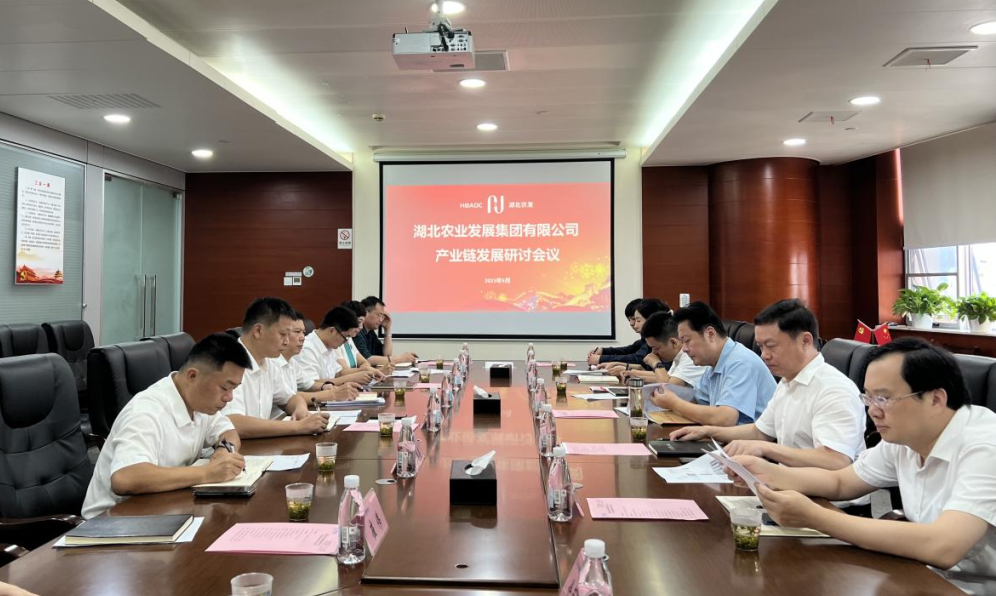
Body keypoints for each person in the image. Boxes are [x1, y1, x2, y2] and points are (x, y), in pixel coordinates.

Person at [729, 338, 996, 594]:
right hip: (923, 576)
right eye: (868, 398)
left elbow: (944, 546)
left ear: (936, 399)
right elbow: (841, 482)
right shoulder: (905, 437)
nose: (872, 411)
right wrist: (765, 471)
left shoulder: (985, 446)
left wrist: (814, 517)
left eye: (883, 398)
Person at [671, 299, 865, 470]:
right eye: (761, 347)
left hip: (823, 496)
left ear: (805, 341)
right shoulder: (787, 382)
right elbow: (759, 432)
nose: (764, 355)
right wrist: (707, 431)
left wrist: (766, 449)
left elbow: (836, 460)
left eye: (771, 346)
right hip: (788, 483)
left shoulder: (834, 389)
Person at [81, 333, 250, 519]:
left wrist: (225, 451)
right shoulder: (146, 412)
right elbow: (125, 478)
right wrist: (208, 472)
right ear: (192, 376)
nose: (229, 397)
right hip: (111, 522)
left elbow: (228, 431)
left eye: (234, 389)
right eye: (225, 387)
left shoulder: (199, 402)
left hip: (159, 508)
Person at [650, 301, 775, 426]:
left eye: (687, 341)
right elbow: (697, 401)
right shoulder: (713, 363)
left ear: (710, 334)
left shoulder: (741, 362)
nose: (684, 349)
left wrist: (675, 403)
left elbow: (725, 418)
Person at [222, 297, 330, 439]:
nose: (286, 341)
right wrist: (299, 426)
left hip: (260, 444)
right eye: (283, 334)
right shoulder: (229, 362)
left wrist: (301, 410)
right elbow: (234, 423)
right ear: (258, 331)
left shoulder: (269, 361)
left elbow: (291, 398)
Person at [277, 310, 361, 404]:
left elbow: (310, 384)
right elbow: (287, 398)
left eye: (303, 332)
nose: (303, 337)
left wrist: (326, 387)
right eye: (297, 332)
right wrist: (334, 394)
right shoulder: (306, 349)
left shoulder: (291, 361)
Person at [620, 310, 706, 389]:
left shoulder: (690, 357)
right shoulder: (678, 357)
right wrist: (634, 375)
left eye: (656, 348)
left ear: (673, 343)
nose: (653, 353)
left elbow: (668, 387)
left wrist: (656, 363)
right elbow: (668, 378)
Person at [595, 298, 670, 371]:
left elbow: (666, 376)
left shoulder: (666, 341)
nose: (633, 324)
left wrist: (656, 364)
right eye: (630, 320)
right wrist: (621, 365)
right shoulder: (647, 341)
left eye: (637, 320)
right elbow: (644, 368)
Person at [353, 296, 418, 366]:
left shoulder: (370, 332)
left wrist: (387, 329)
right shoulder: (356, 332)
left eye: (382, 316)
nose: (381, 320)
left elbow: (386, 355)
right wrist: (400, 358)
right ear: (366, 313)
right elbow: (367, 359)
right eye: (379, 315)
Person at [334, 300, 384, 379]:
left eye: (362, 323)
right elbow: (343, 372)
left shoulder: (349, 338)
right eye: (359, 322)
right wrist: (365, 370)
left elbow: (364, 361)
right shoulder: (336, 341)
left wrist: (366, 368)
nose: (361, 327)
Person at [587, 298, 644, 365]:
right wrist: (603, 351)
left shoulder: (652, 340)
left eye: (635, 319)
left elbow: (637, 358)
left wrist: (601, 359)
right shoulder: (641, 342)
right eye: (629, 320)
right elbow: (627, 350)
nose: (631, 323)